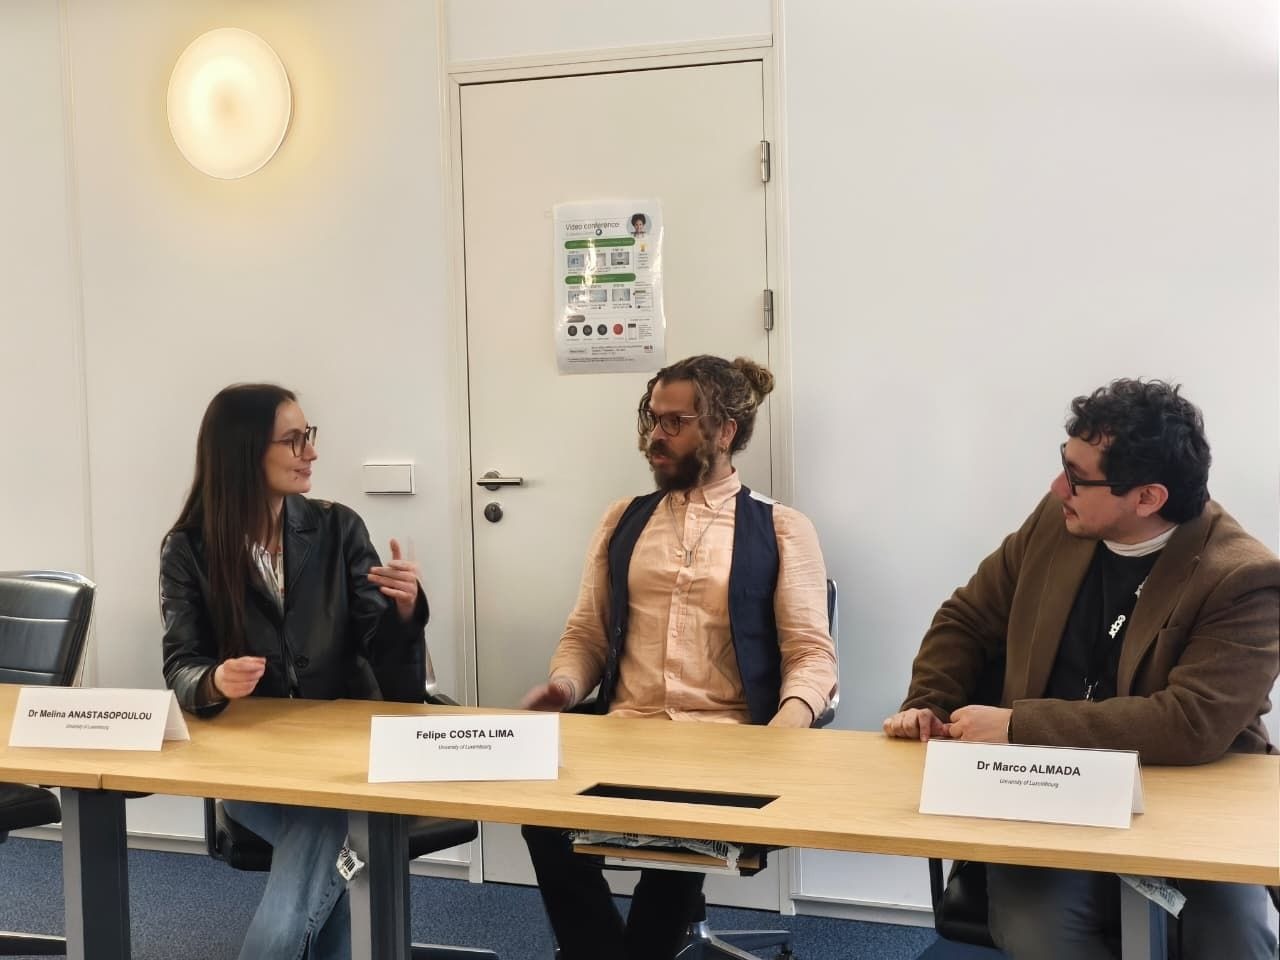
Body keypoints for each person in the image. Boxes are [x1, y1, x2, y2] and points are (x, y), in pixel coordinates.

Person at [884, 379, 1279, 960]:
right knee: (1039, 934)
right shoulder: (1056, 522)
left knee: (1233, 940)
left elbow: (1190, 724)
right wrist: (928, 703)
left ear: (1147, 498)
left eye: (1077, 478)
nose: (1056, 486)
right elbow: (967, 619)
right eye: (1063, 465)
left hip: (1191, 796)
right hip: (1042, 794)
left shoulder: (1241, 577)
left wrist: (1018, 727)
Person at [519, 355, 837, 960]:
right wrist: (563, 687)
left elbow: (812, 656)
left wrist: (784, 731)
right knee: (537, 810)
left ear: (724, 431)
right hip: (625, 733)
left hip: (723, 742)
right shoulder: (624, 520)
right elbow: (586, 633)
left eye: (674, 423)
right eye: (652, 420)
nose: (653, 438)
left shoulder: (783, 528)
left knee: (680, 824)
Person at [160, 383, 428, 960]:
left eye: (309, 436)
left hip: (346, 756)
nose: (311, 452)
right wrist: (214, 681)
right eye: (293, 439)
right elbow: (180, 664)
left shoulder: (337, 528)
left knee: (322, 827)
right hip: (253, 763)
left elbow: (386, 655)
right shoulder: (188, 548)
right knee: (332, 834)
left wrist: (405, 613)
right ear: (243, 452)